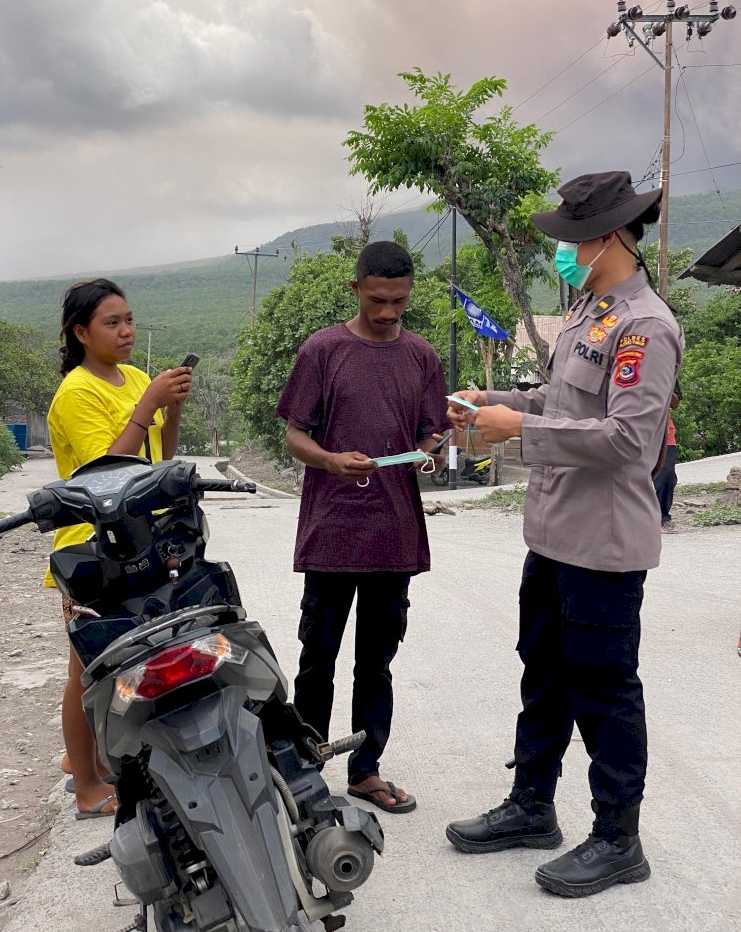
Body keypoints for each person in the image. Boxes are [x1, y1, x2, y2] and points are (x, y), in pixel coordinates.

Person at [444, 172, 683, 896]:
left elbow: (627, 440)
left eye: (572, 240)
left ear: (608, 237)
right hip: (553, 533)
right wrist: (499, 402)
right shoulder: (588, 312)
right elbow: (558, 399)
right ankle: (531, 806)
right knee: (543, 671)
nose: (564, 253)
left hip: (603, 546)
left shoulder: (646, 324)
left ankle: (619, 838)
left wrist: (519, 430)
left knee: (604, 688)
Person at [275, 241, 448, 813]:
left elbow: (431, 433)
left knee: (376, 661)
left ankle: (366, 770)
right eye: (378, 300)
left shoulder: (422, 357)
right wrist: (329, 460)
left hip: (394, 536)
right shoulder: (324, 350)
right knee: (316, 657)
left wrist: (429, 452)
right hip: (332, 533)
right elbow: (295, 435)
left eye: (399, 301)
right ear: (356, 289)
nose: (389, 312)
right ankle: (304, 775)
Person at [44, 279, 192, 818]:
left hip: (143, 540)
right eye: (112, 322)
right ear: (80, 332)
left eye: (129, 319)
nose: (127, 330)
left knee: (135, 653)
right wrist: (147, 403)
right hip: (89, 547)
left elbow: (157, 460)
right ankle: (84, 783)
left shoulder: (133, 377)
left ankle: (98, 760)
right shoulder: (77, 392)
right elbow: (100, 477)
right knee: (86, 668)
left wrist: (169, 409)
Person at [653, 381, 682, 533]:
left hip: (664, 429)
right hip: (634, 427)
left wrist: (663, 384)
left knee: (668, 474)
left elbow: (675, 403)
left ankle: (664, 518)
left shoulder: (669, 370)